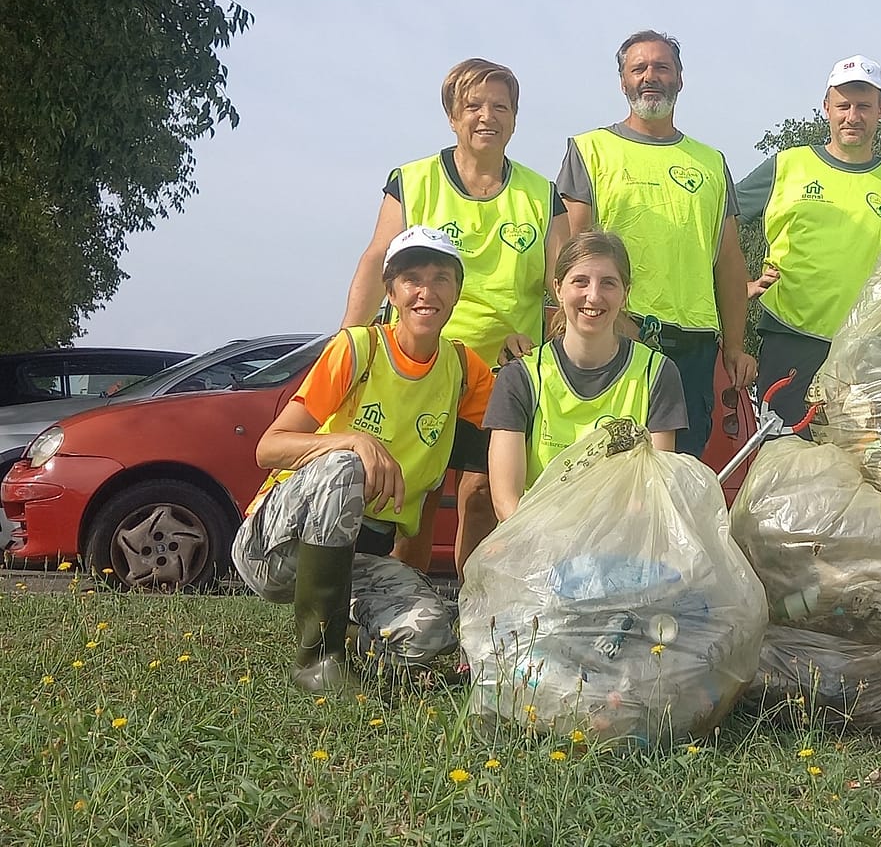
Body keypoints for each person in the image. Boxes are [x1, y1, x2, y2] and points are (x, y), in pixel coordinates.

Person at [234, 226, 494, 693]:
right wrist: (354, 440)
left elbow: (511, 435)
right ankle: (317, 661)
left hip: (358, 560)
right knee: (344, 465)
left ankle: (352, 638)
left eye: (441, 278)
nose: (426, 292)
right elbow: (268, 448)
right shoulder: (357, 349)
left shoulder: (462, 369)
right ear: (391, 293)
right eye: (412, 279)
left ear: (457, 293)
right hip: (274, 548)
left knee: (431, 631)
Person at [341, 58, 565, 574]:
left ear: (515, 118)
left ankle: (474, 604)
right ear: (452, 116)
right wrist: (350, 343)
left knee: (483, 493)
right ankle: (402, 602)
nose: (488, 116)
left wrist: (547, 349)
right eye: (474, 106)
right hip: (420, 366)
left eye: (501, 107)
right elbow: (376, 260)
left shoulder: (541, 194)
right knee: (412, 497)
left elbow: (562, 289)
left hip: (502, 374)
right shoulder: (413, 180)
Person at [556, 30, 755, 459]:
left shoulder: (712, 163)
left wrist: (736, 345)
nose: (650, 76)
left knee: (676, 474)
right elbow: (570, 252)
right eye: (639, 68)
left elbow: (728, 260)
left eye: (662, 67)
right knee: (607, 469)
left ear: (680, 79)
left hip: (694, 348)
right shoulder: (590, 150)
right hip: (616, 334)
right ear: (623, 81)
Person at [736, 54, 881, 428]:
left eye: (864, 106)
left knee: (865, 457)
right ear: (826, 107)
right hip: (792, 340)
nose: (852, 116)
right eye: (843, 106)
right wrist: (737, 286)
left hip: (871, 352)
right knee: (784, 455)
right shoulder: (787, 166)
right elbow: (720, 219)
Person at [485, 230, 687, 520]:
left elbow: (654, 493)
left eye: (608, 283)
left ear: (625, 294)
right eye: (580, 281)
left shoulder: (657, 373)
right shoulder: (521, 376)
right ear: (558, 288)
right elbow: (506, 502)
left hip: (621, 540)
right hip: (535, 539)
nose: (593, 296)